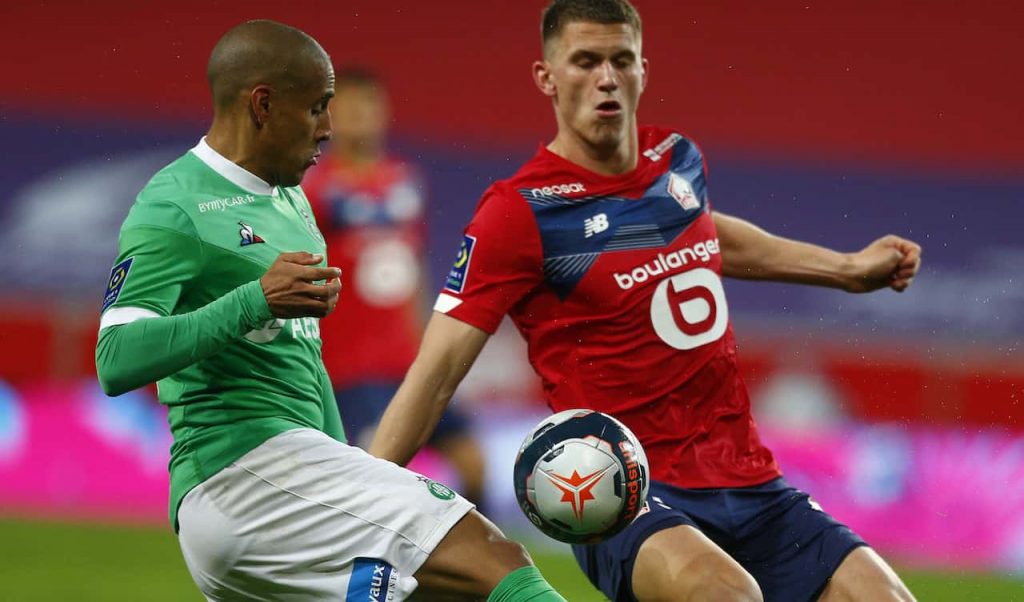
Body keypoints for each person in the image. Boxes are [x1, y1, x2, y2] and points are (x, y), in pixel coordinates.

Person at [368, 1, 921, 601]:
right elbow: (436, 374)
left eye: (620, 60)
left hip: (749, 478)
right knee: (726, 595)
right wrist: (361, 507)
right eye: (585, 61)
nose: (606, 77)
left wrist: (845, 269)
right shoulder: (519, 213)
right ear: (546, 77)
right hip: (623, 489)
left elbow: (705, 234)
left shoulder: (676, 161)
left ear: (642, 70)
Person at [94, 19, 565, 602]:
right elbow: (115, 358)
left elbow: (307, 367)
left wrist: (354, 467)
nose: (328, 127)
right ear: (263, 104)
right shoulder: (174, 205)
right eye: (317, 107)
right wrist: (254, 299)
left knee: (444, 591)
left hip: (289, 481)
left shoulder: (292, 202)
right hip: (243, 476)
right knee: (497, 560)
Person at [302, 68, 487, 508]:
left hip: (407, 361)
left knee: (474, 463)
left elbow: (413, 268)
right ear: (329, 116)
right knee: (377, 476)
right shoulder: (316, 189)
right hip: (351, 369)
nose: (359, 117)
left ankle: (477, 546)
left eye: (368, 106)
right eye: (348, 108)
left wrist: (427, 341)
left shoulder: (404, 182)